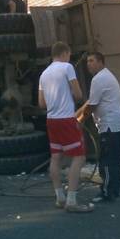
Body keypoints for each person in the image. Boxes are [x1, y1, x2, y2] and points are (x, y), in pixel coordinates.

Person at [38, 42, 93, 213]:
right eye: (69, 55)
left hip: (51, 120)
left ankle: (60, 197)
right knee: (79, 157)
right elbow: (78, 94)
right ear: (65, 53)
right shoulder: (67, 68)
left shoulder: (44, 74)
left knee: (56, 157)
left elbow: (41, 104)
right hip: (66, 119)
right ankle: (72, 200)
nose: (69, 58)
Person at [86, 52, 120, 203]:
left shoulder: (98, 79)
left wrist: (79, 120)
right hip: (118, 124)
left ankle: (107, 191)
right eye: (87, 61)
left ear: (100, 62)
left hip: (109, 125)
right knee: (116, 159)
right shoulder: (107, 75)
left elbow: (91, 105)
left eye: (92, 61)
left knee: (107, 160)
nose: (88, 64)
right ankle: (115, 189)